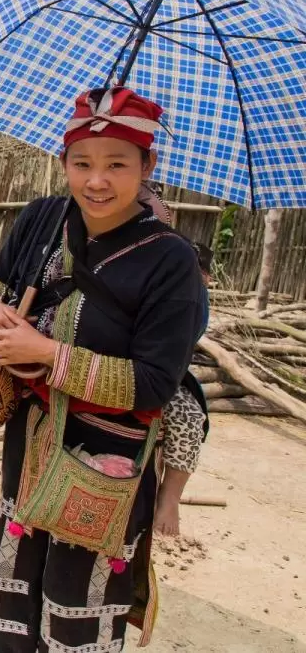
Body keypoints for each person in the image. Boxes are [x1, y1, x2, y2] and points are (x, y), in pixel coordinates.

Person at [0, 88, 207, 651]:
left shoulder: (171, 261)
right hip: (30, 443)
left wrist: (47, 354)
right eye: (82, 163)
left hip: (107, 457)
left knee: (79, 602)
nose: (96, 181)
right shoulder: (43, 219)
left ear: (148, 165)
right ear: (64, 162)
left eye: (117, 164)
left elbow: (154, 382)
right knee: (14, 588)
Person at [137, 184, 212, 537]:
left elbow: (177, 344)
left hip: (159, 373)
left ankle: (169, 499)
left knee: (187, 416)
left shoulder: (194, 297)